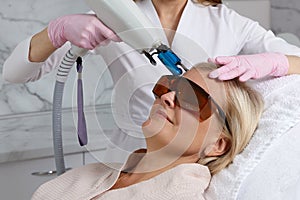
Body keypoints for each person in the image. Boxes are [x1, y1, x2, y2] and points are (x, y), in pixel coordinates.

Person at [3, 0, 300, 152]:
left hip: (198, 167)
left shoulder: (229, 23)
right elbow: (15, 73)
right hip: (127, 158)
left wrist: (274, 62)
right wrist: (56, 32)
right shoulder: (116, 15)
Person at [31, 63, 264, 200]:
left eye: (193, 98)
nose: (167, 97)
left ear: (218, 145)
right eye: (169, 86)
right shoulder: (88, 175)